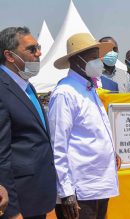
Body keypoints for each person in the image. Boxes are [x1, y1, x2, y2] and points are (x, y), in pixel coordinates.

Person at [49, 33, 120, 219]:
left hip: (99, 183)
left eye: (99, 57)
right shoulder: (66, 92)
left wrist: (111, 151)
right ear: (76, 61)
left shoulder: (89, 89)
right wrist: (66, 192)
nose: (99, 62)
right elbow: (58, 145)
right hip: (80, 188)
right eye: (93, 58)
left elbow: (93, 131)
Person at [0, 26, 56, 219]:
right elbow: (1, 154)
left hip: (37, 196)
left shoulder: (27, 85)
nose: (39, 53)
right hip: (19, 201)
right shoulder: (2, 89)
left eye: (38, 47)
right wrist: (12, 210)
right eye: (31, 49)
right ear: (9, 55)